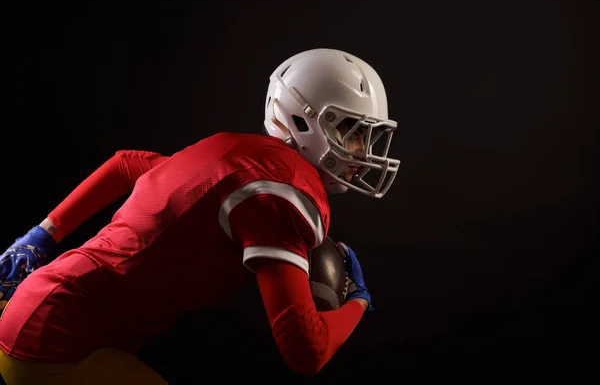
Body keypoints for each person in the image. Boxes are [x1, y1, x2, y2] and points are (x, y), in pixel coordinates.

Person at [0, 48, 401, 384]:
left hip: (38, 307)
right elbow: (307, 352)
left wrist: (41, 235)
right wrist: (358, 303)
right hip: (51, 347)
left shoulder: (230, 150)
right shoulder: (280, 195)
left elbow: (126, 164)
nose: (363, 151)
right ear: (303, 120)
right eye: (351, 131)